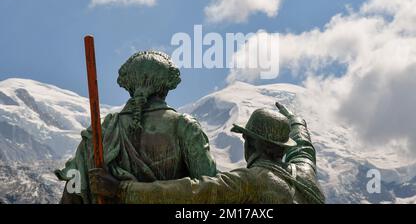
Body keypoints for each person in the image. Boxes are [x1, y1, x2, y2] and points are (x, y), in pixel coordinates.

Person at [55, 51, 217, 203]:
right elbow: (211, 190)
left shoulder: (100, 132)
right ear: (167, 86)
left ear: (130, 87)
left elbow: (73, 190)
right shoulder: (185, 126)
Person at [89, 102, 325, 204]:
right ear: (283, 147)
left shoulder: (251, 181)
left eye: (246, 139)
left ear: (252, 144)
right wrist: (296, 121)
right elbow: (304, 147)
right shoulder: (304, 174)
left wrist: (121, 190)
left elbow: (190, 193)